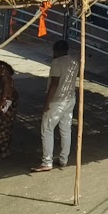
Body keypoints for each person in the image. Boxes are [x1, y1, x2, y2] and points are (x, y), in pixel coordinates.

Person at [30, 40, 78, 173]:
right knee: (65, 129)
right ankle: (63, 159)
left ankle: (47, 161)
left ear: (55, 51)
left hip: (57, 101)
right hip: (70, 98)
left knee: (47, 130)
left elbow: (54, 83)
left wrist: (47, 102)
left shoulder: (56, 63)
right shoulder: (75, 61)